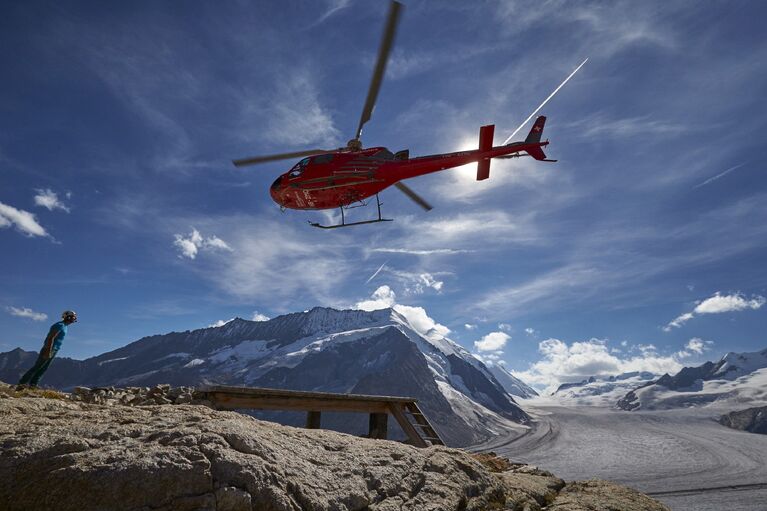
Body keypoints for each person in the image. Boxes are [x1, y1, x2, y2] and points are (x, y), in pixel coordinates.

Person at [17, 310, 77, 389]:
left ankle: (33, 385)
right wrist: (48, 351)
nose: (74, 318)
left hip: (54, 350)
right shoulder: (59, 325)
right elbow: (51, 338)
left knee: (43, 369)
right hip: (49, 349)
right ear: (68, 317)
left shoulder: (65, 327)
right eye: (73, 316)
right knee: (37, 367)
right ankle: (22, 384)